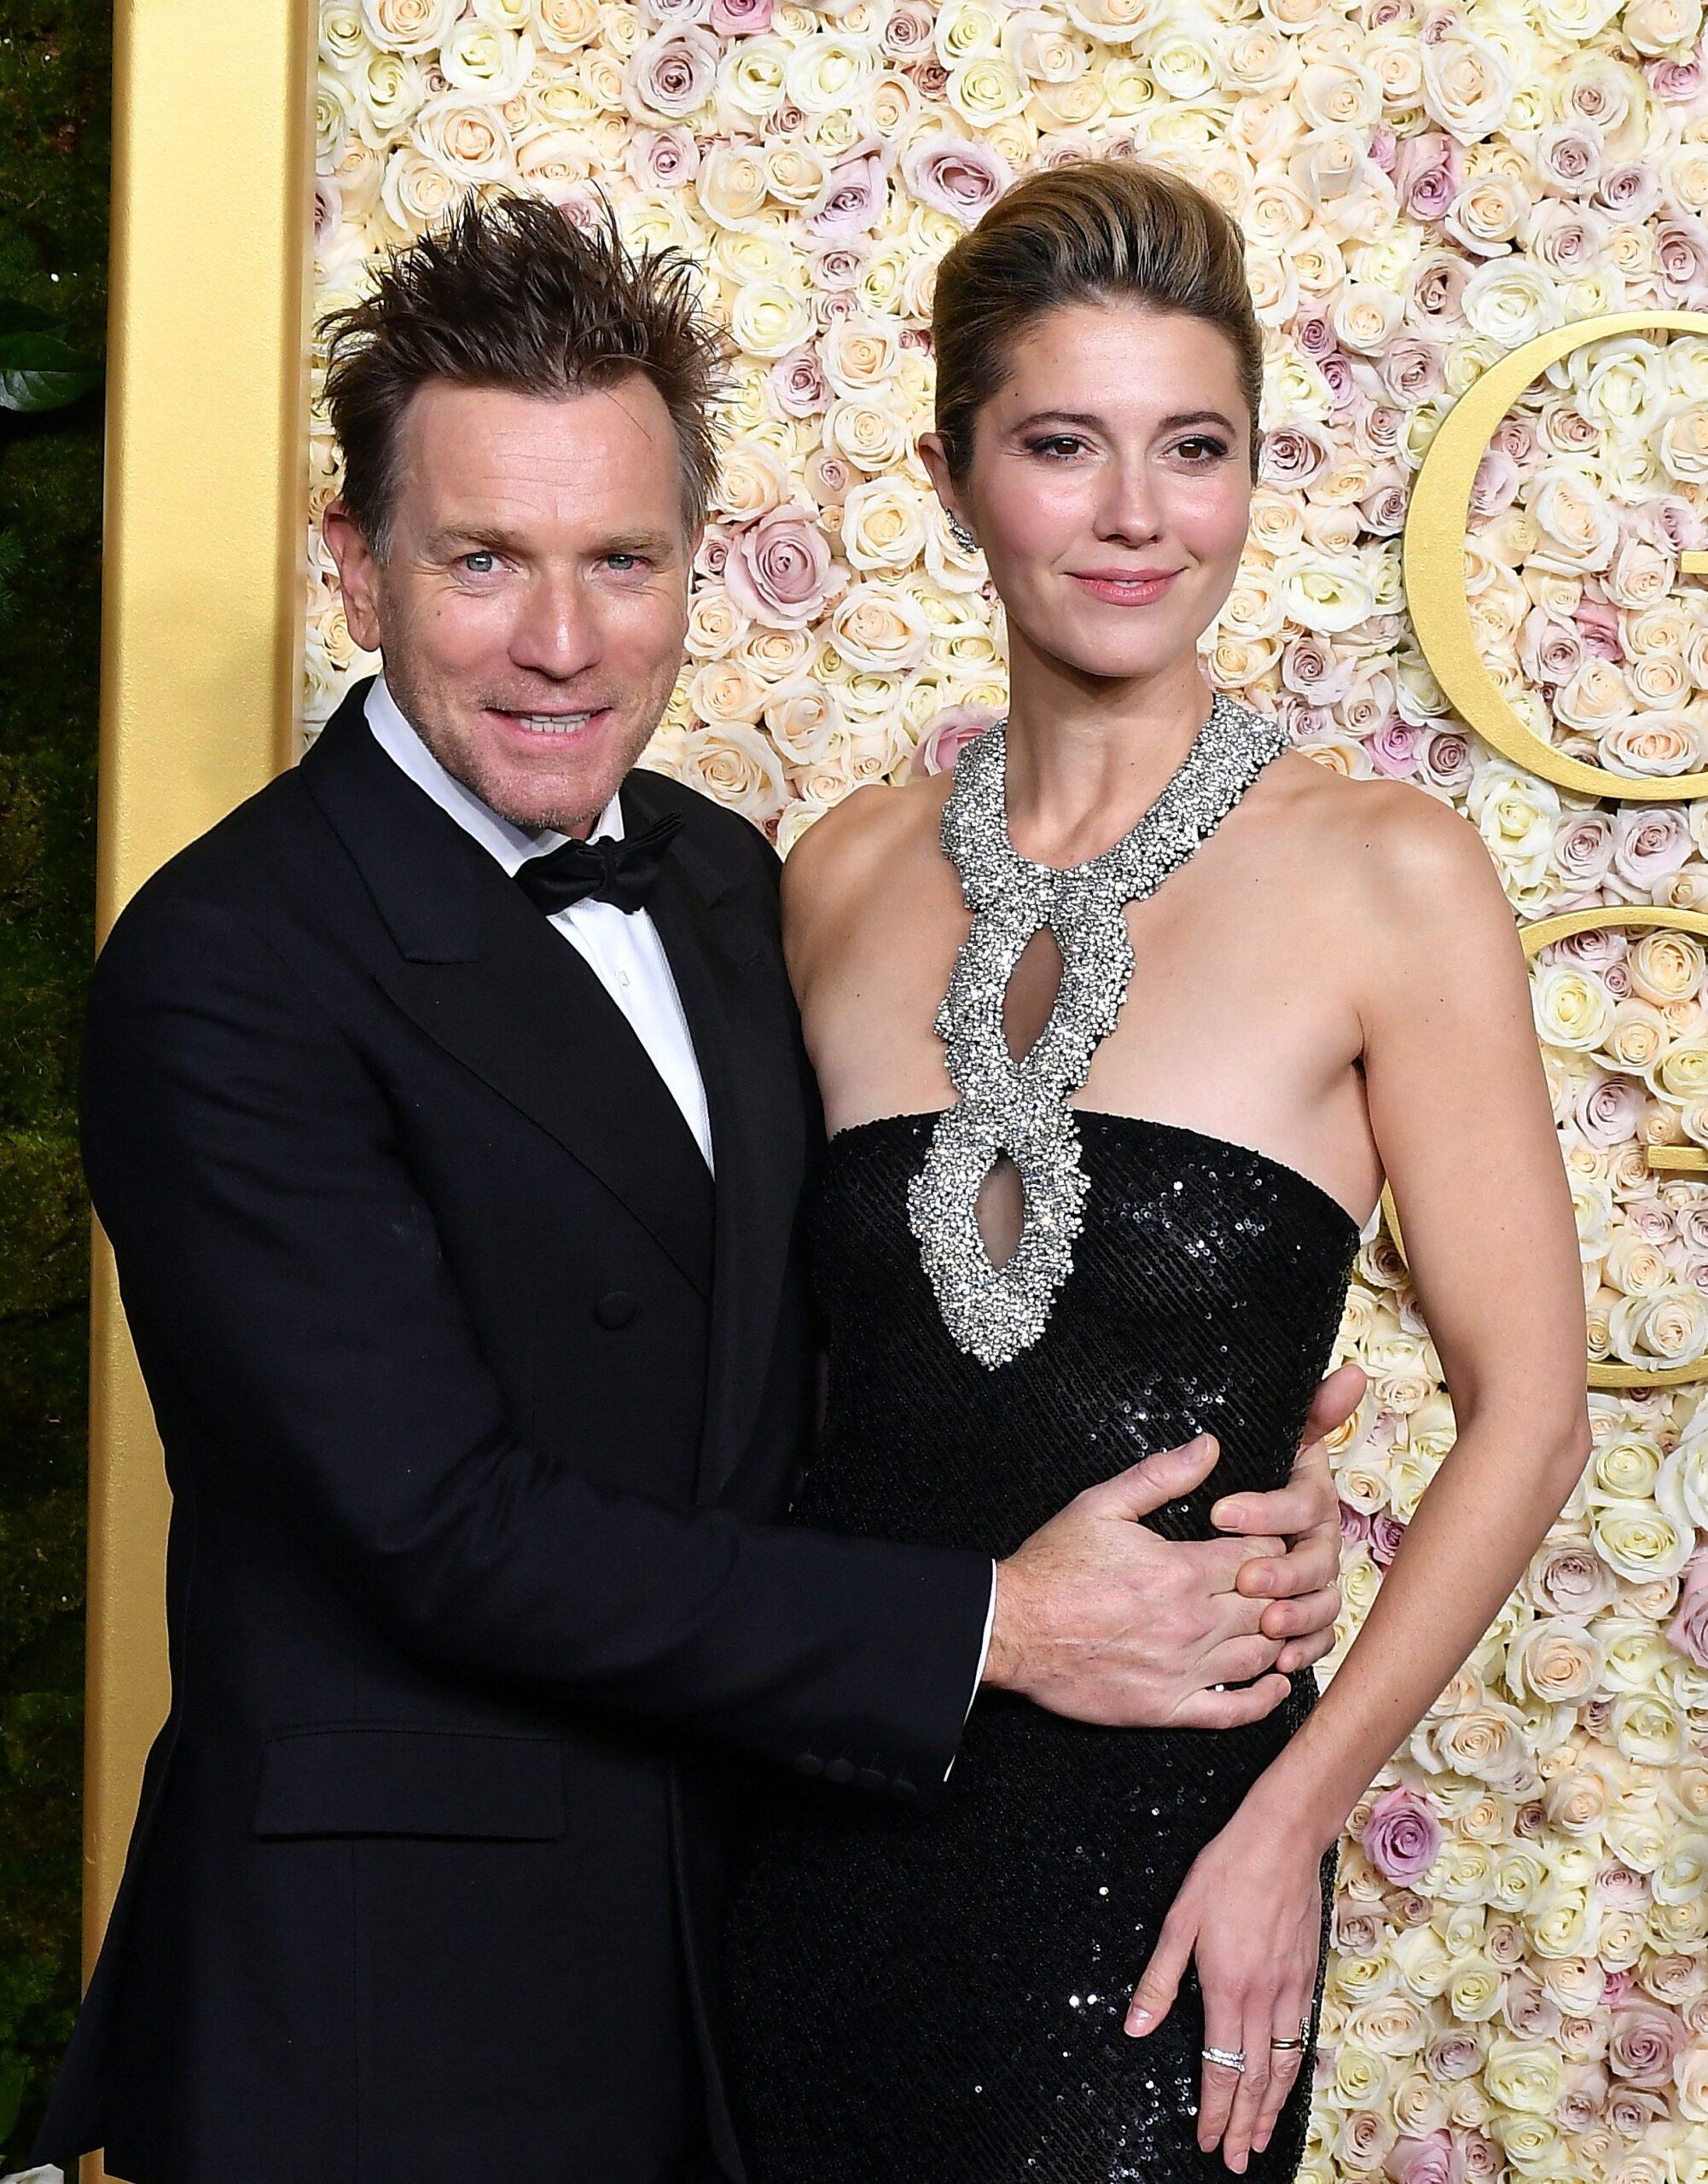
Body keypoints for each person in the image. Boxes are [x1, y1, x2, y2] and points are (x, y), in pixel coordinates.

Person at [32, 191, 1360, 2184]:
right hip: (395, 2003)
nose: (561, 642)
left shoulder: (740, 879)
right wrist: (994, 1622)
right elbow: (438, 1527)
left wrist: (1211, 1456)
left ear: (689, 567)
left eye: (620, 561)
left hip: (761, 1929)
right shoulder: (228, 963)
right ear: (353, 561)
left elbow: (842, 1346)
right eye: (480, 559)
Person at [719, 158, 1592, 2184]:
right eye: (1060, 446)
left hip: (1163, 1884)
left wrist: (1286, 1825)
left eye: (1190, 449)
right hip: (820, 1841)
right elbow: (798, 1403)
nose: (1133, 517)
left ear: (1250, 471)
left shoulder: (1384, 872)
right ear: (953, 478)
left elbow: (1529, 1412)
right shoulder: (831, 876)